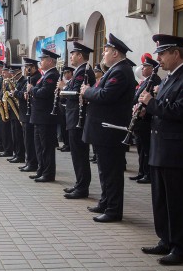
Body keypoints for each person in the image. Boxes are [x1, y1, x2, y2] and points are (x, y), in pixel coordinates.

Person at [138, 34, 183, 265]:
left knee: (178, 202)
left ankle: (181, 248)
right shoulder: (167, 79)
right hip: (161, 148)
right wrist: (145, 112)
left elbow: (180, 112)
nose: (159, 58)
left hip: (177, 152)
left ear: (176, 53)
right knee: (161, 200)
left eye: (162, 53)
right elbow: (162, 110)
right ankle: (165, 240)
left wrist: (151, 104)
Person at [80, 34, 136, 222]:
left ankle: (113, 209)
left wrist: (88, 92)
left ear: (115, 52)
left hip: (110, 129)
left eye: (105, 51)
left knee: (112, 172)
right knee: (105, 170)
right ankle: (105, 202)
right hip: (103, 129)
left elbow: (106, 96)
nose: (103, 54)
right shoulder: (115, 69)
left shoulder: (121, 71)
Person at [62, 43, 96, 199]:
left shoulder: (84, 71)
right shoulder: (80, 71)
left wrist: (63, 88)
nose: (71, 57)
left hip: (78, 117)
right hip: (73, 116)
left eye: (73, 54)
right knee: (76, 154)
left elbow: (76, 93)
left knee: (80, 154)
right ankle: (79, 183)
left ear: (80, 56)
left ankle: (82, 187)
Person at [28, 49, 60, 183]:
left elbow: (45, 92)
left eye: (42, 59)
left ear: (50, 61)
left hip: (45, 117)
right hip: (39, 116)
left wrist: (32, 89)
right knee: (39, 146)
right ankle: (41, 170)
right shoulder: (45, 75)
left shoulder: (52, 75)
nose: (40, 62)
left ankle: (48, 173)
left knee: (46, 147)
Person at [130, 56, 161, 184]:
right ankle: (142, 171)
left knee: (146, 148)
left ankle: (148, 174)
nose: (142, 68)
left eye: (145, 66)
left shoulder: (154, 80)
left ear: (152, 68)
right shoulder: (145, 80)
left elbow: (150, 99)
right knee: (141, 148)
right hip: (140, 118)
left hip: (146, 119)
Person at [14, 57, 41, 172]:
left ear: (34, 68)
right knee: (27, 140)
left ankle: (32, 163)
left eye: (27, 67)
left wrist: (16, 93)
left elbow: (25, 94)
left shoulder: (35, 79)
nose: (25, 69)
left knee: (30, 141)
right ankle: (29, 161)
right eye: (25, 67)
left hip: (30, 113)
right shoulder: (30, 78)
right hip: (26, 112)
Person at [7, 64, 25, 164]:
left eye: (14, 73)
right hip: (14, 111)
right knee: (14, 134)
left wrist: (14, 93)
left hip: (19, 111)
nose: (12, 75)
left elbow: (20, 94)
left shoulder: (23, 81)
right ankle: (16, 154)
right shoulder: (16, 81)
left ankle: (20, 155)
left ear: (18, 72)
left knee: (18, 135)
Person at [56, 66, 73, 152]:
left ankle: (68, 144)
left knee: (67, 127)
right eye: (65, 73)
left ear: (71, 73)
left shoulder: (69, 83)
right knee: (63, 126)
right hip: (62, 106)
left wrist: (63, 88)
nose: (66, 74)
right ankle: (66, 143)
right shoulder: (66, 83)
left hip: (68, 106)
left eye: (67, 73)